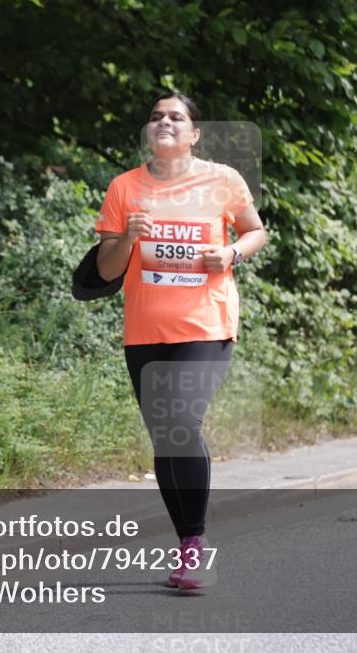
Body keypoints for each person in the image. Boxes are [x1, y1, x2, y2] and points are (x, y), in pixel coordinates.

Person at [94, 93, 267, 589]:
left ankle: (194, 544)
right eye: (156, 117)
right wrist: (128, 237)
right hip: (145, 331)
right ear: (148, 132)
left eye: (176, 117)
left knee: (182, 424)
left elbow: (256, 232)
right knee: (165, 436)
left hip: (206, 324)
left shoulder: (222, 179)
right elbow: (106, 270)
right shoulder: (124, 187)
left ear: (194, 134)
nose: (164, 122)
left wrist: (232, 254)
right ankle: (185, 539)